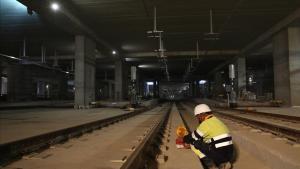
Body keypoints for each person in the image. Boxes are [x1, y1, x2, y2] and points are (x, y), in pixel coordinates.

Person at [183, 104, 233, 169]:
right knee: (205, 141)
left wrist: (184, 139)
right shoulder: (217, 121)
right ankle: (224, 163)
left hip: (220, 154)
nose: (198, 119)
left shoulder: (206, 123)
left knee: (195, 144)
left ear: (202, 114)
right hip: (229, 154)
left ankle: (211, 166)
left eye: (198, 116)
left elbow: (192, 137)